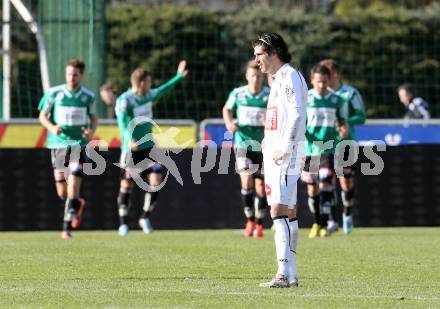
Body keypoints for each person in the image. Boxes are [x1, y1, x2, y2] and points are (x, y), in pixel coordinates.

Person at [253, 33, 308, 288]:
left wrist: (285, 146)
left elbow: (297, 113)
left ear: (273, 52)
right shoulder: (276, 80)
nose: (256, 61)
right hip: (275, 152)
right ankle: (292, 274)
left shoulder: (290, 76)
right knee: (288, 211)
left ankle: (283, 274)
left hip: (286, 153)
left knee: (277, 210)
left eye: (259, 55)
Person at [115, 60, 188, 236]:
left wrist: (178, 76)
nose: (151, 85)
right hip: (132, 149)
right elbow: (123, 122)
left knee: (156, 181)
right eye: (148, 82)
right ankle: (123, 224)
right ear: (141, 83)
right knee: (127, 185)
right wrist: (130, 138)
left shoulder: (147, 96)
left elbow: (163, 89)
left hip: (149, 147)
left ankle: (145, 217)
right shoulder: (125, 100)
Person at [38, 58, 97, 239]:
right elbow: (42, 116)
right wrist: (52, 127)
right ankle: (77, 202)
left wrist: (90, 132)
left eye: (75, 74)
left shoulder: (88, 96)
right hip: (58, 144)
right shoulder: (54, 94)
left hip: (78, 144)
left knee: (76, 173)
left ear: (81, 76)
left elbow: (93, 118)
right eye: (69, 74)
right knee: (63, 192)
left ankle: (66, 227)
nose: (71, 77)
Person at [222, 60, 270, 238]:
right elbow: (227, 109)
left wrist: (270, 122)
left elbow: (278, 115)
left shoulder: (269, 95)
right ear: (247, 77)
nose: (256, 79)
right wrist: (228, 123)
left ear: (262, 77)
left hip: (264, 147)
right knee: (246, 181)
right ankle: (250, 220)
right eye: (253, 76)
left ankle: (259, 223)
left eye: (258, 76)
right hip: (243, 144)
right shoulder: (238, 94)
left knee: (262, 187)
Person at [320, 59, 366, 234]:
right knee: (327, 181)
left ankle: (347, 213)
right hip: (325, 143)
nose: (324, 79)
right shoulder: (318, 95)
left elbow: (361, 116)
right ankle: (332, 220)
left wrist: (346, 122)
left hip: (346, 143)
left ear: (335, 74)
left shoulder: (350, 93)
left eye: (328, 75)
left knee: (345, 181)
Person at [301, 64, 346, 239]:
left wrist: (343, 129)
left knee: (326, 182)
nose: (321, 85)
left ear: (329, 81)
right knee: (312, 189)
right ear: (312, 81)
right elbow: (299, 122)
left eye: (324, 82)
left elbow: (342, 121)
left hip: (329, 148)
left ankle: (327, 223)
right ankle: (317, 221)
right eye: (318, 82)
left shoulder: (336, 99)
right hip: (309, 149)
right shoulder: (305, 99)